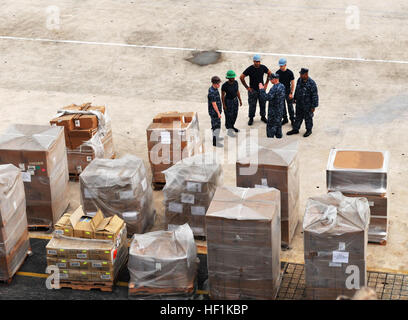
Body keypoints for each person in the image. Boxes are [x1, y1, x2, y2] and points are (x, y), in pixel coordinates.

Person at [240, 54, 272, 126]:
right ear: (253, 61)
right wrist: (247, 87)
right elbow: (241, 77)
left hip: (261, 90)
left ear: (260, 61)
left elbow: (270, 73)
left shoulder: (263, 67)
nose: (257, 63)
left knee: (263, 104)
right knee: (252, 105)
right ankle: (251, 118)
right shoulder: (250, 69)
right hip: (253, 90)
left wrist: (266, 84)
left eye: (258, 61)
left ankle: (263, 116)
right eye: (256, 61)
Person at [287, 68, 319, 137]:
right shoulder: (299, 80)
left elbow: (315, 96)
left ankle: (309, 130)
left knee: (308, 118)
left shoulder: (311, 83)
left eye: (301, 74)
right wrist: (295, 98)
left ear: (306, 74)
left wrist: (313, 106)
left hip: (308, 105)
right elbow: (297, 90)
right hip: (299, 104)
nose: (300, 75)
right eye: (300, 74)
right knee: (298, 117)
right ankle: (295, 129)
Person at [259, 73, 286, 138]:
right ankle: (279, 139)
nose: (270, 81)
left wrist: (261, 89)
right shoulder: (282, 86)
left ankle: (270, 142)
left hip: (273, 112)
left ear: (275, 79)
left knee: (270, 128)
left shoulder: (274, 88)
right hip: (280, 111)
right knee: (278, 126)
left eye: (271, 79)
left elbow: (266, 98)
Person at [221, 70, 242, 137]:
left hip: (235, 101)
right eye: (232, 77)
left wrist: (240, 100)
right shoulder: (224, 85)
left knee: (235, 115)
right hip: (228, 102)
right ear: (228, 78)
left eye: (234, 77)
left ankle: (232, 126)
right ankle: (229, 130)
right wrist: (224, 105)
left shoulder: (236, 83)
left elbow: (237, 91)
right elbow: (222, 95)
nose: (233, 78)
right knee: (229, 116)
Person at [276, 58, 295, 126]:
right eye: (280, 66)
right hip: (280, 92)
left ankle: (292, 119)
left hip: (287, 91)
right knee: (282, 106)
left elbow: (292, 83)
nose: (281, 67)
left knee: (290, 106)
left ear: (285, 65)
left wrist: (291, 93)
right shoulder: (277, 73)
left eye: (282, 66)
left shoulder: (290, 73)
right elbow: (276, 83)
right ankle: (285, 119)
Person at [207, 76, 224, 147]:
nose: (219, 85)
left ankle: (217, 138)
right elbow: (214, 104)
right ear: (214, 83)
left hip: (217, 111)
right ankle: (215, 142)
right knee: (215, 127)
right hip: (214, 113)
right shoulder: (211, 92)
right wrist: (218, 113)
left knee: (218, 126)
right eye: (218, 84)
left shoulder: (215, 89)